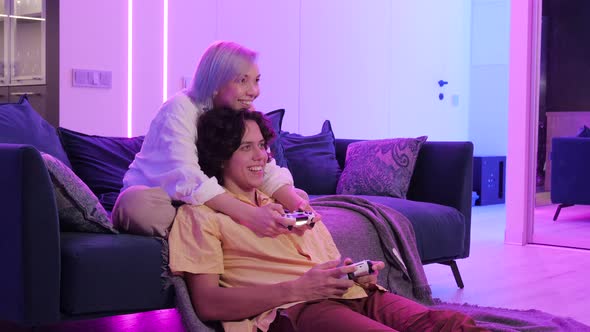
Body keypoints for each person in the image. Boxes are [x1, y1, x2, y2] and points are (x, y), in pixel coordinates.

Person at [168, 108, 489, 332]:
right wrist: (297, 288)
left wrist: (346, 274)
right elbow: (208, 304)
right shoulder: (201, 217)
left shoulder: (285, 204)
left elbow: (321, 261)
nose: (261, 156)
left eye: (263, 146)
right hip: (293, 312)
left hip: (353, 294)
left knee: (453, 325)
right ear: (221, 155)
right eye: (246, 147)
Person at [112, 41, 311, 238]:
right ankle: (220, 228)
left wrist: (300, 206)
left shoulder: (242, 110)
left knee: (297, 197)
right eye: (243, 80)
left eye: (256, 80)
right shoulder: (179, 108)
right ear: (216, 83)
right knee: (137, 206)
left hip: (215, 199)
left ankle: (213, 228)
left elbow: (264, 167)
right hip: (169, 199)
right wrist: (251, 215)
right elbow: (187, 177)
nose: (254, 91)